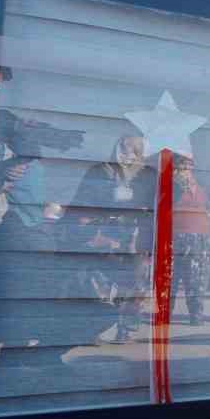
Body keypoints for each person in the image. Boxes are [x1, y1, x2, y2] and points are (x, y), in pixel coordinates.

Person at [63, 135, 156, 344]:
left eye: (136, 150)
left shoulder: (149, 176)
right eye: (125, 148)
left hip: (136, 236)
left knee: (133, 282)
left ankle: (125, 327)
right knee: (99, 281)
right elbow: (83, 201)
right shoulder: (100, 171)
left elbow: (159, 205)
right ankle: (95, 326)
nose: (129, 154)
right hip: (103, 233)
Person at [169, 154, 210, 326]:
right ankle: (166, 313)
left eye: (189, 166)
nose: (186, 169)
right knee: (170, 277)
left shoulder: (200, 187)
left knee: (195, 278)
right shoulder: (169, 185)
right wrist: (177, 185)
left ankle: (196, 314)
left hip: (198, 237)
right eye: (182, 165)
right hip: (174, 236)